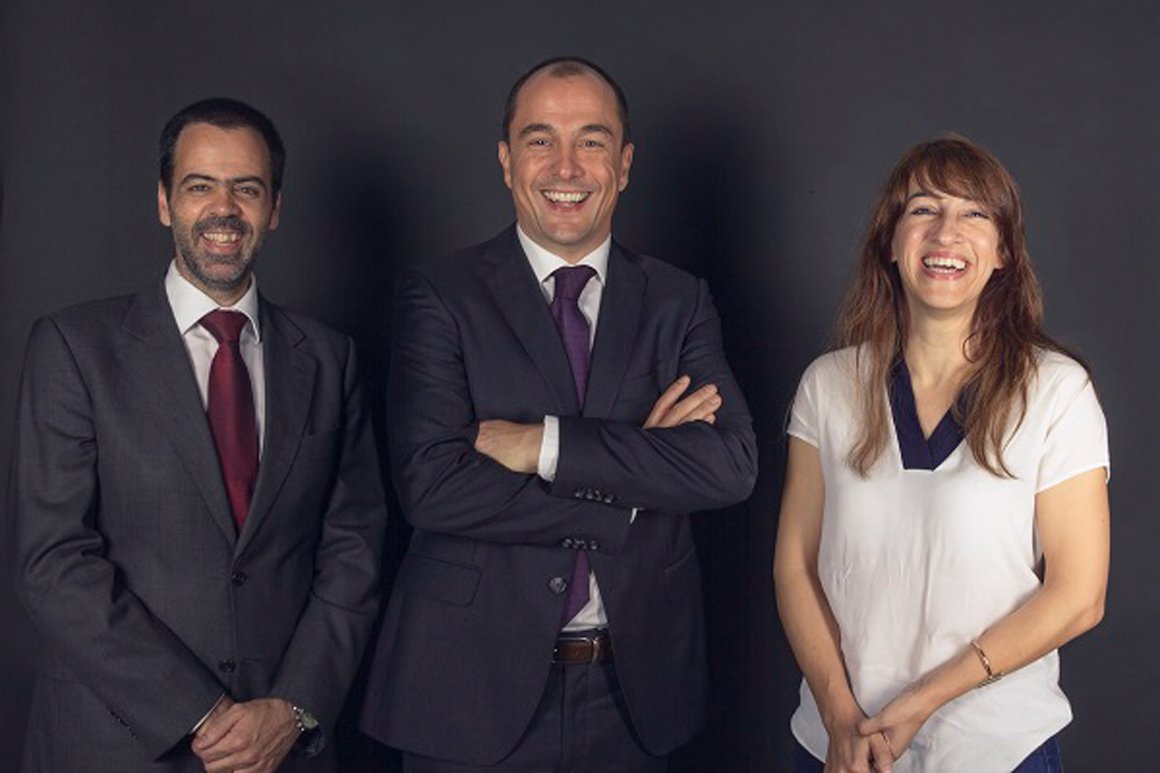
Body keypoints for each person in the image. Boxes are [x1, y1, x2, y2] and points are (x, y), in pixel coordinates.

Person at [359, 57, 757, 771]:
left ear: (624, 164)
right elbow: (433, 486)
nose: (565, 167)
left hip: (635, 695)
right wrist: (632, 484)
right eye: (540, 139)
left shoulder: (677, 300)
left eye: (591, 141)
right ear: (507, 161)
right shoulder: (440, 295)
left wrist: (544, 444)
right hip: (467, 690)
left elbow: (729, 466)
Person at [10, 97, 386, 772]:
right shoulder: (75, 348)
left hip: (281, 746)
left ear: (275, 207)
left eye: (247, 188)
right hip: (113, 743)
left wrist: (293, 707)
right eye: (199, 186)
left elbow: (353, 550)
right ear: (164, 202)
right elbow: (53, 560)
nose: (224, 209)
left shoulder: (331, 359)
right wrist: (201, 713)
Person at [773, 136, 1110, 772]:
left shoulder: (1056, 390)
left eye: (974, 213)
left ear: (1004, 251)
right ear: (890, 241)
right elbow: (795, 565)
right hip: (839, 745)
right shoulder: (829, 384)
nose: (946, 232)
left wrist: (921, 702)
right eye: (924, 209)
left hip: (996, 748)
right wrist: (840, 717)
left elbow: (1079, 595)